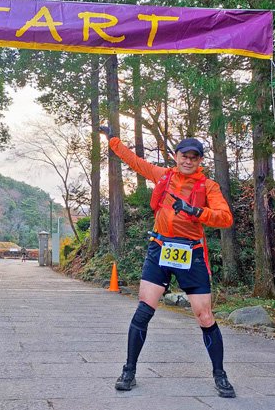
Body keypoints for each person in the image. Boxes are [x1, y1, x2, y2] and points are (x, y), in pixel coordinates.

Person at [99, 126, 236, 398]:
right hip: (160, 249)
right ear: (176, 156)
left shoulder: (208, 186)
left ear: (200, 161)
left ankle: (220, 375)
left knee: (204, 315)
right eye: (184, 155)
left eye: (194, 157)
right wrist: (113, 140)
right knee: (143, 310)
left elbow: (225, 217)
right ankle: (129, 371)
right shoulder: (164, 176)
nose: (188, 161)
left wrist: (196, 211)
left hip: (191, 253)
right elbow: (135, 162)